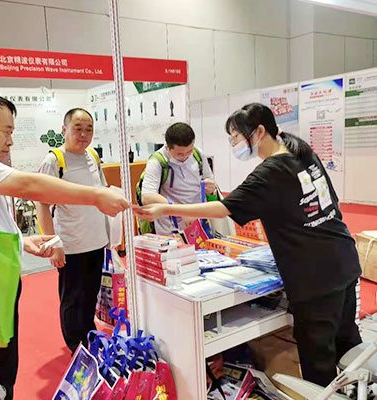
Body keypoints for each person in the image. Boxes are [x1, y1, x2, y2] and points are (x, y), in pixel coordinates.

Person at [0, 92, 129, 400]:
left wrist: (22, 241)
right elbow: (28, 186)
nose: (10, 141)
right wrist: (96, 196)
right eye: (6, 131)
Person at [137, 103, 362, 387]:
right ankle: (357, 388)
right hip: (343, 257)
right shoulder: (302, 152)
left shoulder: (270, 172)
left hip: (315, 276)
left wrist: (168, 209)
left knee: (319, 359)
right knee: (348, 343)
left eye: (235, 136)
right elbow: (332, 203)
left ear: (259, 132)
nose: (233, 143)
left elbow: (223, 208)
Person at [36, 108, 109, 354]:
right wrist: (53, 243)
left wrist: (109, 235)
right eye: (78, 129)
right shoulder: (54, 160)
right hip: (71, 244)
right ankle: (76, 347)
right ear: (64, 130)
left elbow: (101, 193)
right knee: (72, 299)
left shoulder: (93, 156)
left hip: (96, 241)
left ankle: (89, 337)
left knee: (91, 295)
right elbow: (42, 204)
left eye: (89, 129)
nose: (84, 134)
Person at [139, 122, 215, 235]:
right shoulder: (157, 162)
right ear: (167, 147)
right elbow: (147, 197)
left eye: (189, 151)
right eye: (179, 154)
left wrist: (210, 186)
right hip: (170, 229)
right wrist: (181, 211)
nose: (185, 157)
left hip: (198, 224)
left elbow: (209, 179)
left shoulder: (198, 154)